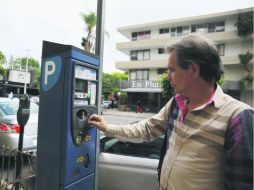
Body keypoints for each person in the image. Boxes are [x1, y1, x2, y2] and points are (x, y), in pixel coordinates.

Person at [88, 34, 253, 190]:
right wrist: (107, 127)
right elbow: (147, 129)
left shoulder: (237, 116)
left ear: (194, 70)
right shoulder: (176, 103)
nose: (168, 77)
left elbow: (242, 184)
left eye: (172, 69)